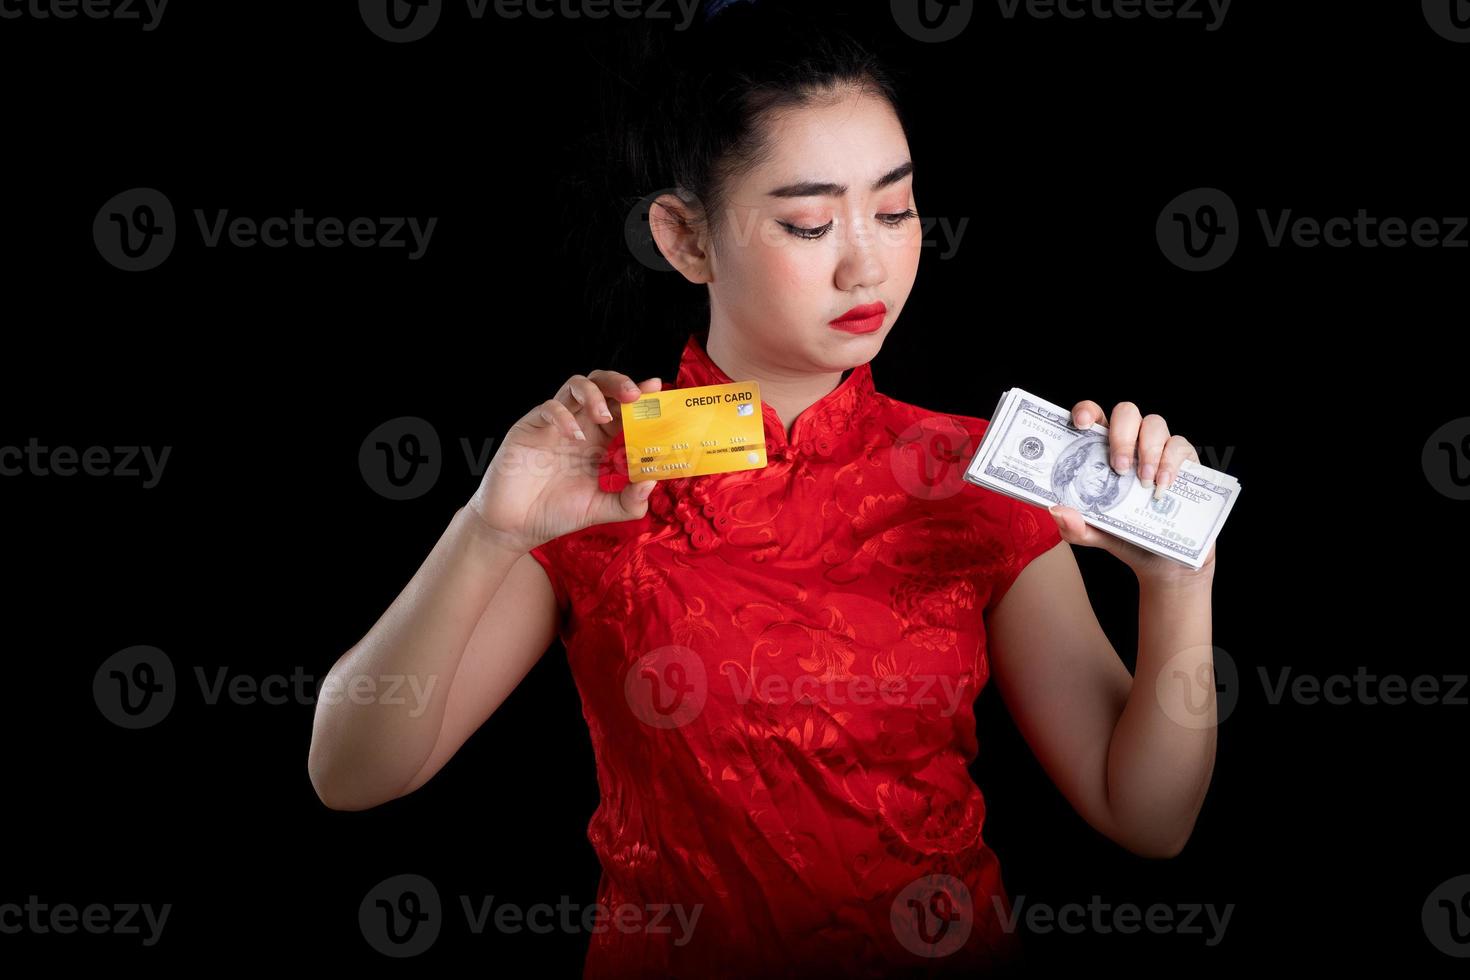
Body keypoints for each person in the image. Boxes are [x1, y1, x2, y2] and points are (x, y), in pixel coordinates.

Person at [307, 2, 1219, 976]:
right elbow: (353, 771)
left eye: (897, 208)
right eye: (810, 221)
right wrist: (486, 530)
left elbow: (1147, 816)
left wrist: (1178, 582)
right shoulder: (598, 479)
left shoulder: (976, 474)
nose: (867, 260)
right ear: (685, 238)